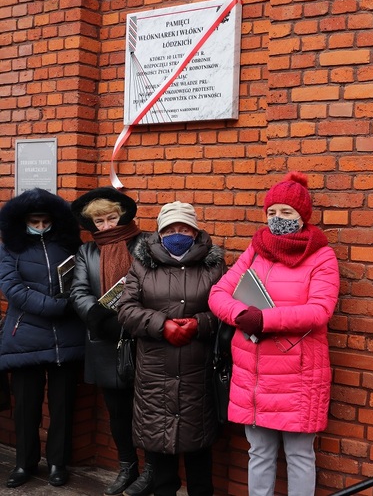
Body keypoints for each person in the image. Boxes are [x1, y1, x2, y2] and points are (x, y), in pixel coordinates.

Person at [208, 171, 340, 496]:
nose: (277, 218)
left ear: (302, 216)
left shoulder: (321, 256)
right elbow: (218, 294)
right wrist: (241, 315)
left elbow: (319, 310)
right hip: (253, 375)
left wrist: (264, 320)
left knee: (299, 455)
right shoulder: (255, 251)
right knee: (259, 453)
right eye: (272, 212)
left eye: (286, 212)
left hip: (298, 375)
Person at [116, 201, 225, 496]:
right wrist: (161, 324)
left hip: (197, 371)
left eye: (184, 229)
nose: (178, 234)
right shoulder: (142, 264)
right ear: (160, 232)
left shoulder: (213, 265)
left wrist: (200, 324)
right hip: (154, 372)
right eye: (170, 229)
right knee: (160, 451)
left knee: (199, 453)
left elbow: (225, 309)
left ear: (195, 231)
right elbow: (125, 309)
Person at [69, 187, 153, 496]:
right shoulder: (87, 251)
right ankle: (127, 467)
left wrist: (133, 318)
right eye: (99, 221)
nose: (106, 226)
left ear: (123, 215)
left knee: (148, 411)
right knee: (117, 412)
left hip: (142, 339)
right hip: (105, 340)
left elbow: (157, 285)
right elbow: (78, 291)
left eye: (112, 218)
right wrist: (97, 316)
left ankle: (153, 470)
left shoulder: (145, 243)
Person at [0, 188, 84, 488]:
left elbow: (82, 281)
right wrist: (55, 306)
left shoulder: (70, 246)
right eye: (34, 222)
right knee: (26, 407)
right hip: (26, 336)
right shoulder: (10, 249)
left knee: (63, 406)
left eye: (45, 222)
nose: (40, 227)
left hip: (66, 337)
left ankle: (58, 463)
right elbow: (12, 288)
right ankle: (25, 463)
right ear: (23, 221)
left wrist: (72, 300)